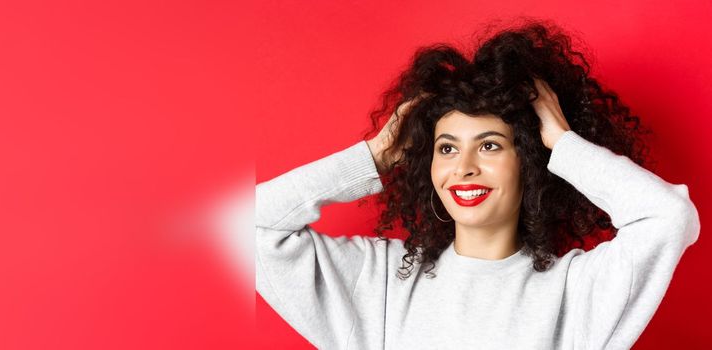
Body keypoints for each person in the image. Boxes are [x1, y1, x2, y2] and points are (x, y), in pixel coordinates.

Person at [255, 19, 700, 349]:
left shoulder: (577, 290)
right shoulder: (380, 281)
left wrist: (563, 143)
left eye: (489, 146)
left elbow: (668, 217)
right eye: (447, 148)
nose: (463, 167)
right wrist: (374, 155)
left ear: (528, 160)